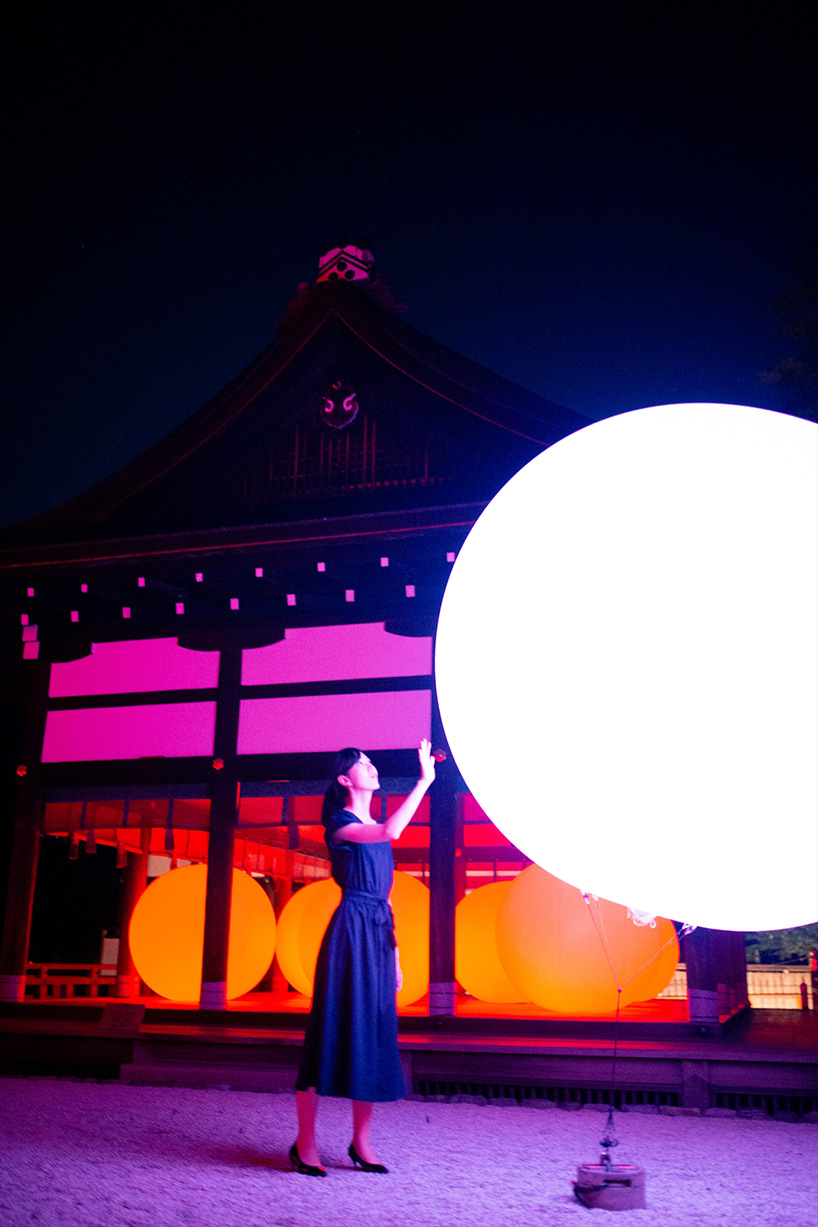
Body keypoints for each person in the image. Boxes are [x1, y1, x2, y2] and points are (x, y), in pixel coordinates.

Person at [291, 738, 436, 1176]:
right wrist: (424, 781)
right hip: (349, 931)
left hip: (376, 933)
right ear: (343, 778)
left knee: (373, 1033)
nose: (372, 768)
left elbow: (387, 901)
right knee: (327, 1032)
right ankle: (305, 1143)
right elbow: (390, 832)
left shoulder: (373, 823)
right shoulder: (340, 822)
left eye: (372, 762)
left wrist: (395, 959)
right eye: (364, 764)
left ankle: (361, 1143)